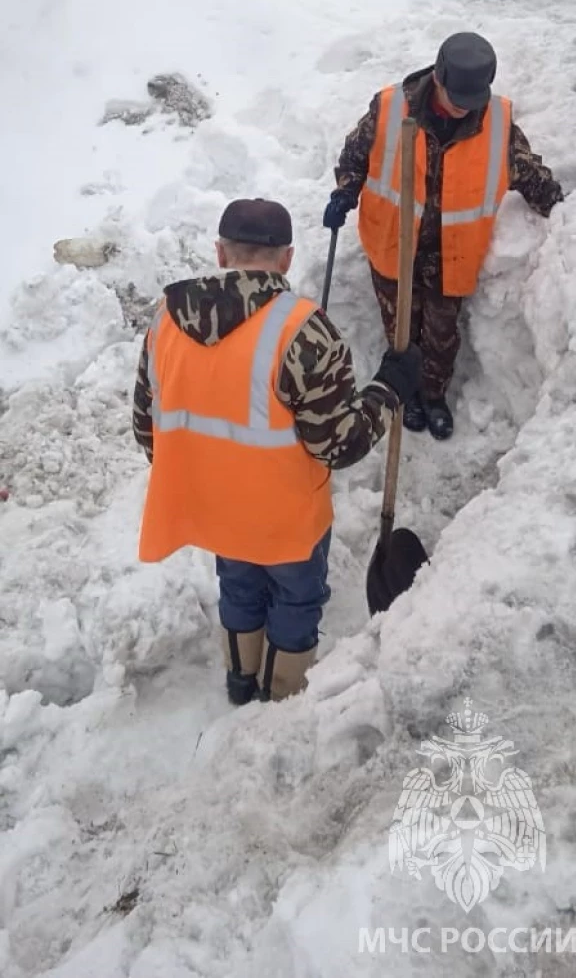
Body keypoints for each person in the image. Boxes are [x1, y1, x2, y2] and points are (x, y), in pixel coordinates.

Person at [133, 199, 421, 705]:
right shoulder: (305, 330)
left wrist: (209, 470)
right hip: (287, 516)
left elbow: (146, 428)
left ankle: (240, 680)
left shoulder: (164, 322)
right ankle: (282, 696)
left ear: (221, 253)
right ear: (286, 259)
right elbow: (339, 443)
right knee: (296, 597)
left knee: (239, 587)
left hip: (212, 509)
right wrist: (388, 390)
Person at [323, 32, 564, 441]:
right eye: (457, 99)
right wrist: (345, 190)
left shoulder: (497, 122)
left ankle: (432, 395)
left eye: (473, 101)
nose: (463, 110)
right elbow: (356, 154)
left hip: (451, 255)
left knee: (441, 335)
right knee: (402, 330)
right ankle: (406, 394)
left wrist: (560, 204)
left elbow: (524, 169)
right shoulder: (389, 108)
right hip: (393, 247)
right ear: (437, 76)